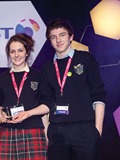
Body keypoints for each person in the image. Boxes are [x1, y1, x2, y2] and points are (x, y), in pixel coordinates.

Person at [40, 18, 107, 160]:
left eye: (62, 35)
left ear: (71, 37)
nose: (58, 40)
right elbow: (44, 100)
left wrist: (97, 130)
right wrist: (47, 132)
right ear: (50, 41)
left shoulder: (86, 59)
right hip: (57, 131)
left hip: (84, 129)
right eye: (53, 37)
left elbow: (99, 95)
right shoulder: (47, 67)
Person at [0, 33, 49, 160]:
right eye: (12, 51)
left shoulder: (39, 76)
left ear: (27, 52)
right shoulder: (1, 78)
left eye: (20, 50)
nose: (16, 55)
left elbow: (47, 105)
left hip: (33, 130)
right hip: (6, 131)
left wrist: (28, 113)